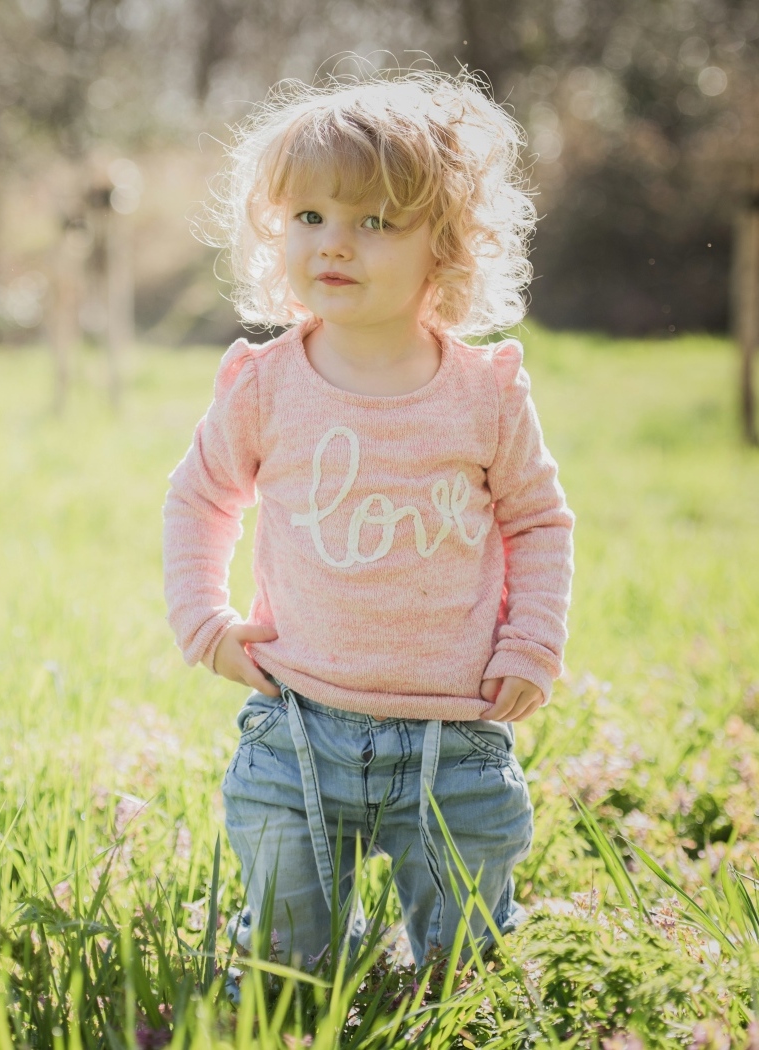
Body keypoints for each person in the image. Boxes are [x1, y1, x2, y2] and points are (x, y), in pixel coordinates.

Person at [162, 69, 574, 971]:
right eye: (309, 218)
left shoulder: (485, 395)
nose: (334, 244)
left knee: (464, 959)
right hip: (298, 725)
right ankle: (306, 974)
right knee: (283, 960)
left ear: (449, 245)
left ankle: (438, 981)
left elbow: (538, 523)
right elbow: (200, 497)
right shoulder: (267, 386)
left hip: (455, 735)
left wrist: (531, 641)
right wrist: (205, 624)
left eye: (373, 221)